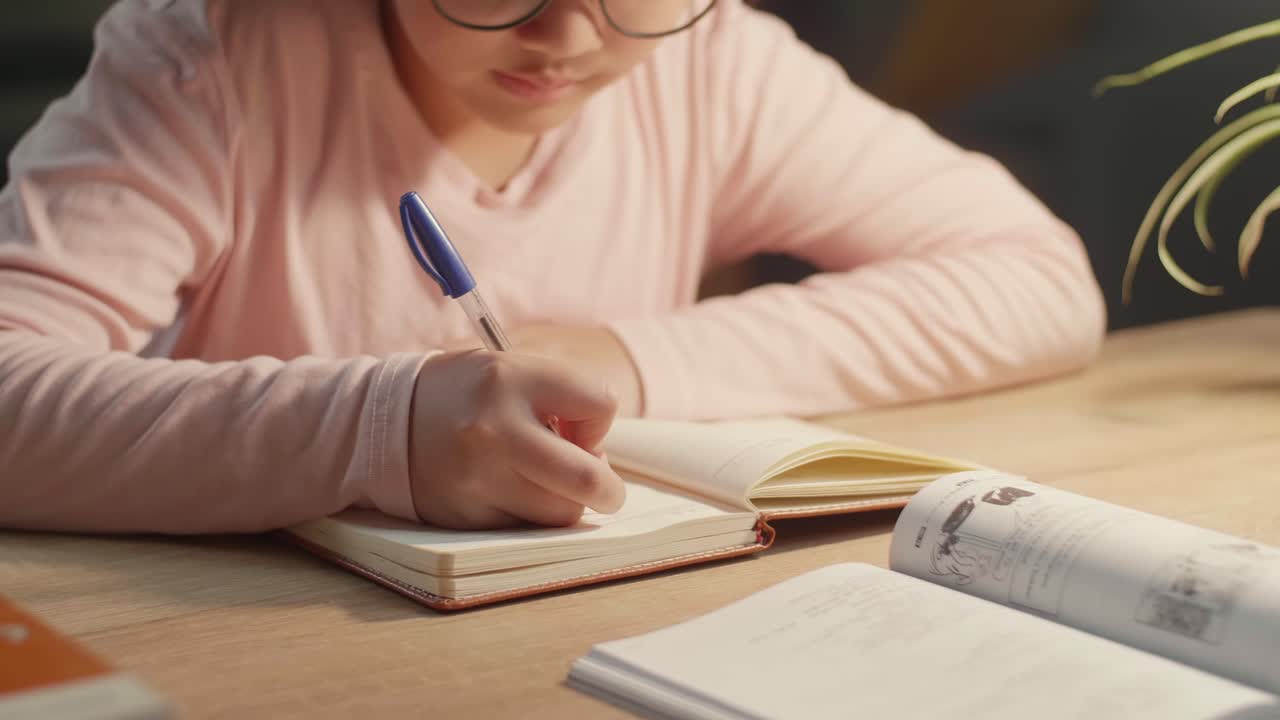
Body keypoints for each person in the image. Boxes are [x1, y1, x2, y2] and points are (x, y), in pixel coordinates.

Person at [0, 0, 1106, 536]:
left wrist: (621, 359)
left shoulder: (709, 60)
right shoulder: (216, 55)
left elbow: (1034, 279)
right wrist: (380, 427)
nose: (569, 35)